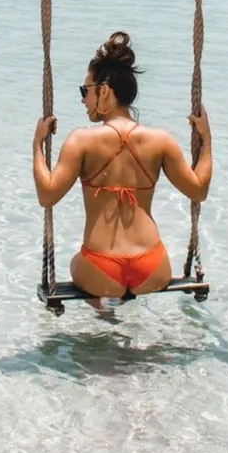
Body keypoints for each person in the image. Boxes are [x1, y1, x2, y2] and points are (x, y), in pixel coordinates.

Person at [32, 31, 211, 300]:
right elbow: (198, 191)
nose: (83, 99)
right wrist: (206, 139)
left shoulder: (81, 140)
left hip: (101, 269)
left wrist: (37, 144)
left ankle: (104, 318)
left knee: (75, 263)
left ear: (103, 91)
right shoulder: (161, 140)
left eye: (85, 91)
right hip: (152, 268)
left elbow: (47, 196)